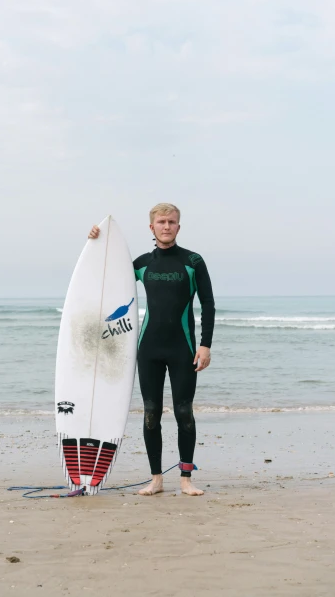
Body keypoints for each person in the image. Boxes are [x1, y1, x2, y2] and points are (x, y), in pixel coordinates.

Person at [88, 202, 215, 496]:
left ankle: (185, 480)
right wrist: (96, 241)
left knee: (184, 412)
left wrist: (205, 345)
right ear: (152, 227)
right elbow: (106, 277)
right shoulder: (142, 263)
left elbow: (208, 303)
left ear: (178, 227)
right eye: (161, 222)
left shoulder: (193, 261)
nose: (167, 226)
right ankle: (156, 479)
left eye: (171, 222)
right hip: (148, 349)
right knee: (150, 413)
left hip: (183, 348)